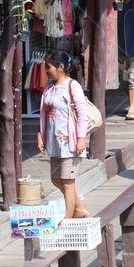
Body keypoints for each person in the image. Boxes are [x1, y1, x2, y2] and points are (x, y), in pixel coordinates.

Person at [37, 51, 90, 218]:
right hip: (54, 141)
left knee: (67, 182)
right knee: (56, 178)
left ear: (60, 67)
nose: (46, 71)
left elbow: (82, 114)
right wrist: (41, 133)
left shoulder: (72, 86)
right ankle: (79, 208)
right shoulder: (49, 87)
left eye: (48, 67)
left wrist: (81, 138)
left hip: (70, 141)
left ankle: (68, 218)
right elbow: (43, 112)